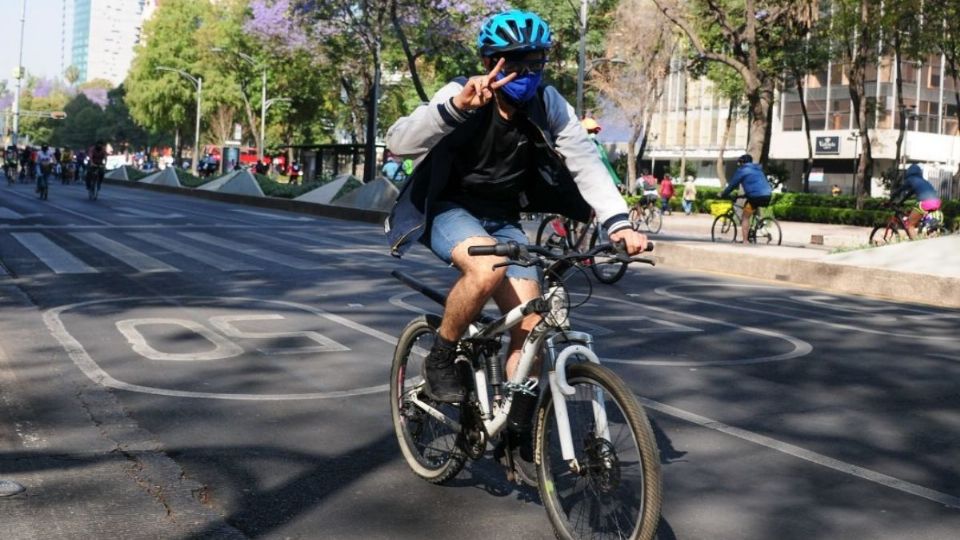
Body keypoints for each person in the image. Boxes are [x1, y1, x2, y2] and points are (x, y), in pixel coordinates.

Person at [385, 8, 647, 478]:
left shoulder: (548, 104)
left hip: (502, 216)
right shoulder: (459, 93)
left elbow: (585, 162)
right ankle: (443, 356)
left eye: (535, 61)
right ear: (491, 61)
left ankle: (513, 423)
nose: (525, 71)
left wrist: (618, 223)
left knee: (531, 320)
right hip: (448, 208)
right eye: (513, 61)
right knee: (487, 270)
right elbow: (399, 144)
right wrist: (457, 108)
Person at [719, 154, 772, 244]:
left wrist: (723, 194)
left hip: (755, 197)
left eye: (739, 163)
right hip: (767, 195)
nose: (738, 165)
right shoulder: (758, 169)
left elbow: (732, 186)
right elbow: (756, 185)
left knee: (745, 217)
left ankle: (745, 241)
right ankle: (758, 226)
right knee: (751, 206)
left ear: (742, 162)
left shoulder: (742, 171)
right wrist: (745, 195)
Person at [890, 163, 941, 239]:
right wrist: (901, 202)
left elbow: (901, 189)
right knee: (919, 218)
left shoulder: (910, 179)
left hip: (925, 203)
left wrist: (891, 198)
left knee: (909, 224)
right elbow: (909, 194)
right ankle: (924, 230)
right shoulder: (923, 181)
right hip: (937, 202)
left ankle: (916, 245)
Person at [581, 117, 623, 189]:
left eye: (595, 132)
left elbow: (606, 164)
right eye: (590, 131)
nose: (593, 134)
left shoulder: (597, 145)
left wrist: (616, 182)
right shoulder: (579, 144)